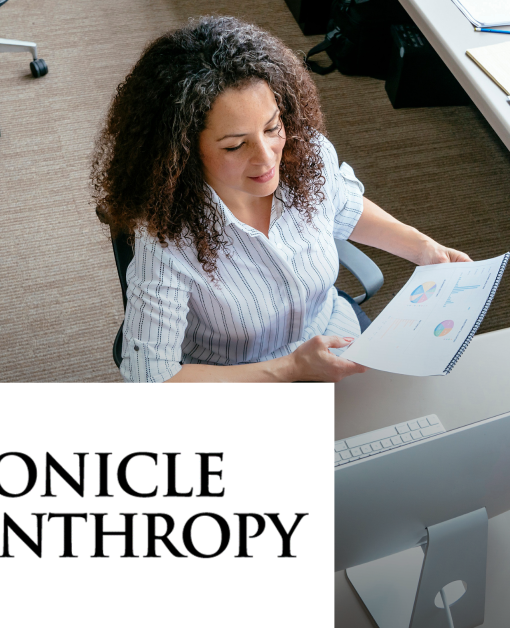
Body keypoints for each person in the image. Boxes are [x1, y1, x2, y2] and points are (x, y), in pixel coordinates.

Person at [91, 16, 471, 383]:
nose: (267, 157)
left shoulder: (304, 155)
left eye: (273, 127)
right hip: (237, 380)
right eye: (236, 145)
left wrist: (424, 249)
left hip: (332, 336)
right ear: (182, 153)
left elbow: (342, 208)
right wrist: (291, 369)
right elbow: (150, 377)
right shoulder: (166, 239)